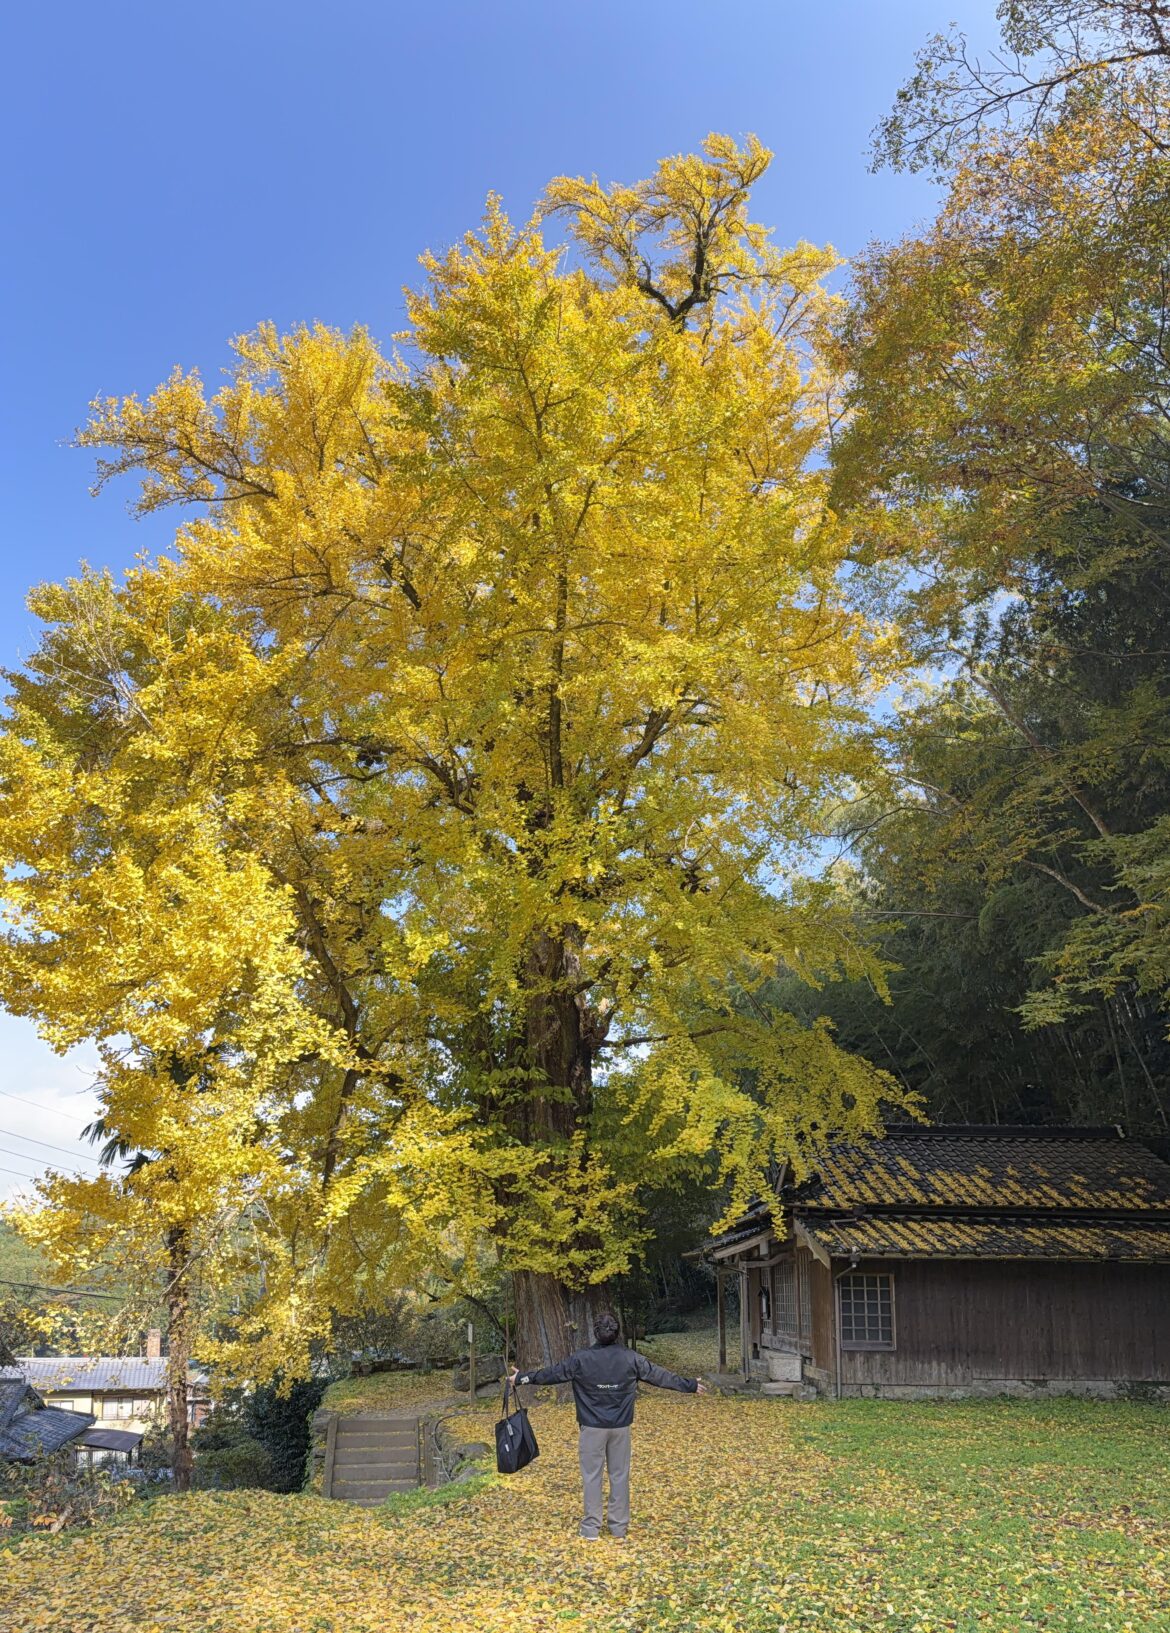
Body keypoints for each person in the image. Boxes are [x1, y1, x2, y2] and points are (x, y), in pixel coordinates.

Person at [508, 1311, 707, 1541]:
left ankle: (591, 1528)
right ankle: (618, 1527)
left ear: (595, 1333)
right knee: (619, 1475)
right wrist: (690, 1385)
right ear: (617, 1332)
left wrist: (523, 1378)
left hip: (592, 1428)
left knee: (592, 1476)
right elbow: (658, 1375)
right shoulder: (630, 1358)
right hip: (620, 1428)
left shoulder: (581, 1359)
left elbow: (553, 1373)